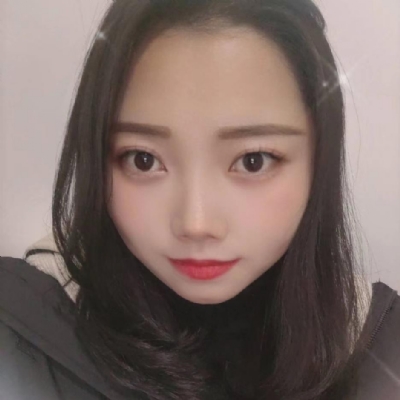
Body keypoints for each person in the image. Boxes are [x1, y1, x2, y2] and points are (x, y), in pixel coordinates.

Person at [1, 0, 399, 399]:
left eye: (253, 160)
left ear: (318, 161)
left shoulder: (383, 349)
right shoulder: (21, 325)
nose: (196, 223)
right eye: (143, 160)